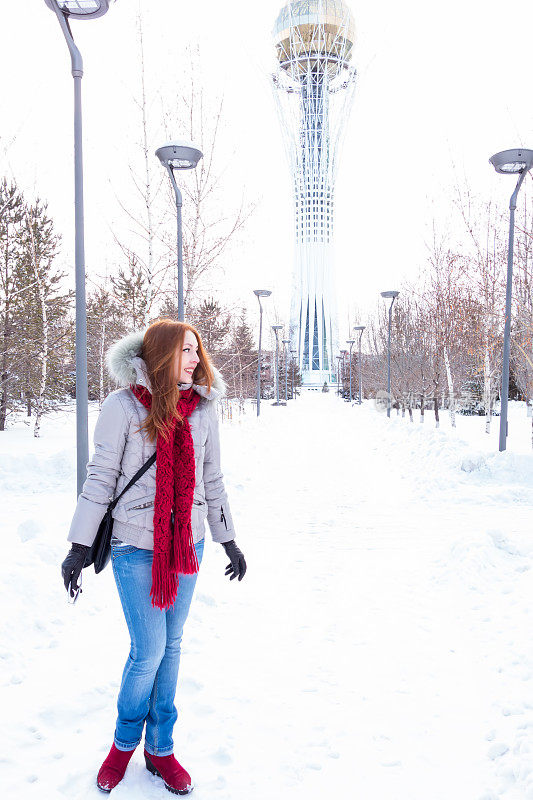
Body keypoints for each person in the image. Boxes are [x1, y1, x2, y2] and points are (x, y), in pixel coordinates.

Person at [61, 319, 246, 795]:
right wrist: (80, 547)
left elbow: (213, 478)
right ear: (162, 354)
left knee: (173, 645)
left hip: (189, 542)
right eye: (186, 350)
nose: (195, 359)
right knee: (150, 651)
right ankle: (123, 745)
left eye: (197, 351)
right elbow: (100, 476)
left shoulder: (203, 410)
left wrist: (228, 539)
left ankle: (160, 749)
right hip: (134, 546)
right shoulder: (123, 407)